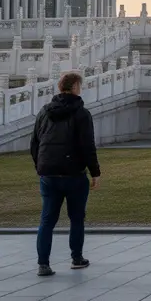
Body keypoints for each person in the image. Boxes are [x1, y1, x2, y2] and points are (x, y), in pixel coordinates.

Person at [29, 71, 101, 276]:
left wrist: (41, 166)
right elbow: (88, 146)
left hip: (48, 174)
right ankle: (76, 258)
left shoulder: (44, 112)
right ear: (75, 87)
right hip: (74, 174)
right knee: (76, 218)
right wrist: (95, 172)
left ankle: (43, 264)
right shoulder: (82, 114)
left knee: (47, 220)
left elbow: (34, 143)